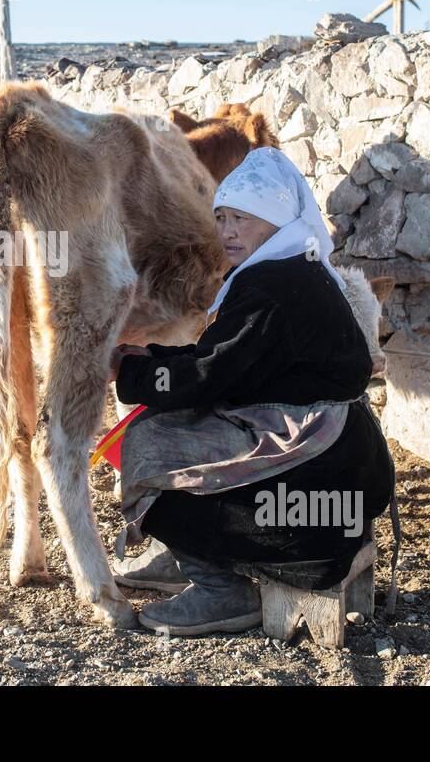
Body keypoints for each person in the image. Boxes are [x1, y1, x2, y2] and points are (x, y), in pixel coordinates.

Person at [107, 147, 392, 637]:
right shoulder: (299, 271)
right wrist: (144, 360)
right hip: (347, 471)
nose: (228, 231)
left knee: (147, 444)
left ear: (277, 222)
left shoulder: (271, 285)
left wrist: (130, 376)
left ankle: (221, 587)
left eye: (243, 218)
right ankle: (187, 558)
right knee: (162, 426)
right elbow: (223, 359)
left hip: (315, 502)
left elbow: (209, 375)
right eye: (222, 218)